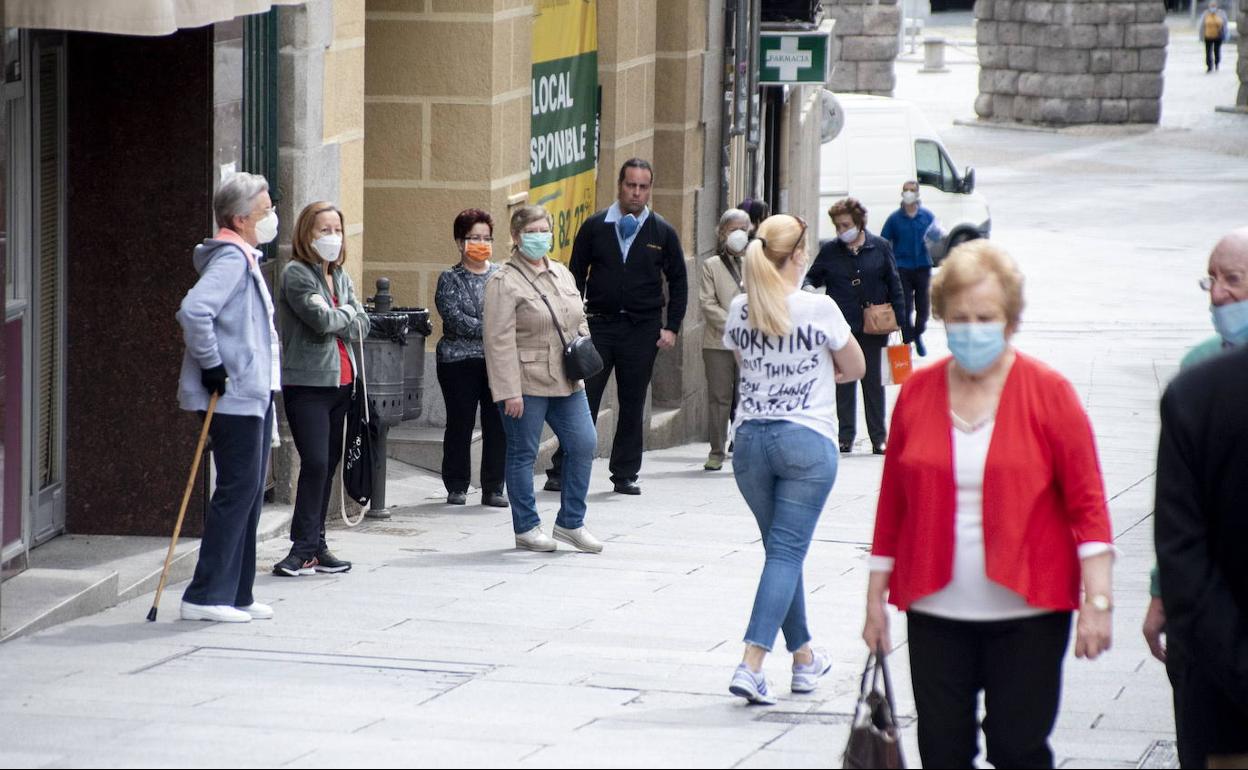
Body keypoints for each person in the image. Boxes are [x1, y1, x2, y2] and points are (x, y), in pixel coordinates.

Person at [861, 241, 1115, 768]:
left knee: (1019, 749)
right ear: (941, 317)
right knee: (942, 750)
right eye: (960, 317)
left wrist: (1098, 602)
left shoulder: (1050, 393)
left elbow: (1088, 505)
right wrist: (875, 601)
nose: (972, 328)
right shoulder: (918, 393)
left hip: (1029, 611)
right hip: (936, 609)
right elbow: (893, 505)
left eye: (985, 317)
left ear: (1010, 320)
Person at [723, 214, 866, 704]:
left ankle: (804, 658)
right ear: (800, 254)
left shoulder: (740, 308)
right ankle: (751, 662)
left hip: (750, 444)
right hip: (806, 441)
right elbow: (857, 366)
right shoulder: (818, 308)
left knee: (781, 553)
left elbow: (747, 368)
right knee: (786, 553)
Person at [1147, 228, 1248, 769]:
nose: (1219, 294)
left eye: (1234, 280)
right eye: (1212, 280)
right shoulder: (1194, 378)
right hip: (1210, 636)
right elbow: (1176, 516)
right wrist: (1161, 591)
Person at [545, 158, 688, 495]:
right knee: (582, 399)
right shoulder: (596, 226)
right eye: (630, 185)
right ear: (620, 185)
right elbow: (574, 275)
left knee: (633, 400)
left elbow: (679, 281)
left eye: (643, 187)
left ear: (650, 189)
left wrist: (672, 327)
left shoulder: (661, 231)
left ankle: (624, 473)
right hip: (598, 327)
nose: (636, 193)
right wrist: (572, 323)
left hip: (642, 329)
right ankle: (561, 468)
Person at [176, 172, 282, 622]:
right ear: (240, 219)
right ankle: (204, 595)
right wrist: (213, 364)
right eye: (265, 210)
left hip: (251, 393)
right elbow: (195, 310)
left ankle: (237, 591)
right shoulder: (231, 260)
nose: (271, 216)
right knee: (236, 492)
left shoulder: (245, 256)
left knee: (249, 493)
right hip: (233, 394)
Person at [483, 206, 602, 554]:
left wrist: (583, 342)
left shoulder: (562, 273)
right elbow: (498, 340)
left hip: (566, 379)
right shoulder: (504, 281)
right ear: (517, 237)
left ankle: (571, 522)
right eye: (532, 230)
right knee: (522, 453)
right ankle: (526, 527)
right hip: (525, 381)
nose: (540, 236)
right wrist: (508, 392)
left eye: (544, 229)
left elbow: (578, 316)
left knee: (584, 443)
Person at [272, 201, 367, 578]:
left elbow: (364, 327)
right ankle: (303, 547)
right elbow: (323, 320)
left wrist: (344, 316)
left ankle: (314, 544)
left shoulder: (340, 275)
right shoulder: (297, 274)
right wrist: (348, 313)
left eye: (336, 230)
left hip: (343, 383)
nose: (332, 237)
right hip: (308, 384)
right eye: (323, 230)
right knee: (313, 462)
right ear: (306, 235)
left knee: (326, 466)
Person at [805, 197, 908, 455]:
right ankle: (845, 436)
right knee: (844, 381)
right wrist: (808, 290)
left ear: (859, 223)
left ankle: (878, 438)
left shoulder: (880, 247)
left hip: (874, 327)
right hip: (842, 327)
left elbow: (895, 286)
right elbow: (812, 276)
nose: (841, 231)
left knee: (873, 383)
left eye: (846, 225)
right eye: (838, 226)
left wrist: (903, 325)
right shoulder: (830, 251)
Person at [434, 208, 508, 508]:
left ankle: (493, 487)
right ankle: (457, 484)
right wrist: (493, 328)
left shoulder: (502, 275)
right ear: (459, 241)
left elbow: (510, 314)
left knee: (497, 424)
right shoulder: (449, 278)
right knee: (460, 422)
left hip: (496, 361)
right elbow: (454, 319)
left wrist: (495, 330)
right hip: (458, 361)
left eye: (486, 238)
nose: (480, 243)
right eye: (473, 237)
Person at [699, 208, 750, 471]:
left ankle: (742, 446)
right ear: (722, 233)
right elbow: (707, 304)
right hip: (718, 342)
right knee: (719, 397)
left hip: (751, 343)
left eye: (743, 228)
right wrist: (734, 325)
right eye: (733, 229)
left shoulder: (757, 262)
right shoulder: (712, 265)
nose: (738, 234)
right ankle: (717, 450)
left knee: (746, 396)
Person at [881, 180, 940, 357]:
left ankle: (917, 334)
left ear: (917, 193)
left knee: (923, 309)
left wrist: (935, 236)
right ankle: (908, 340)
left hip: (922, 266)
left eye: (912, 190)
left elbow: (937, 234)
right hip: (902, 268)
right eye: (906, 190)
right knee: (905, 307)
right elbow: (884, 240)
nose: (908, 193)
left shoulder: (927, 216)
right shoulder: (894, 219)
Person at [1199, 0, 1229, 73]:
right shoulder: (1206, 14)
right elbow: (1202, 25)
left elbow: (1224, 25)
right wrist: (1201, 36)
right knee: (1208, 52)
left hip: (1218, 36)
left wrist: (1225, 34)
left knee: (1217, 51)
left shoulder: (1221, 13)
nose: (1213, 7)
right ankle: (1209, 66)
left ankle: (1217, 63)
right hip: (1208, 36)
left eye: (1214, 6)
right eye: (1211, 6)